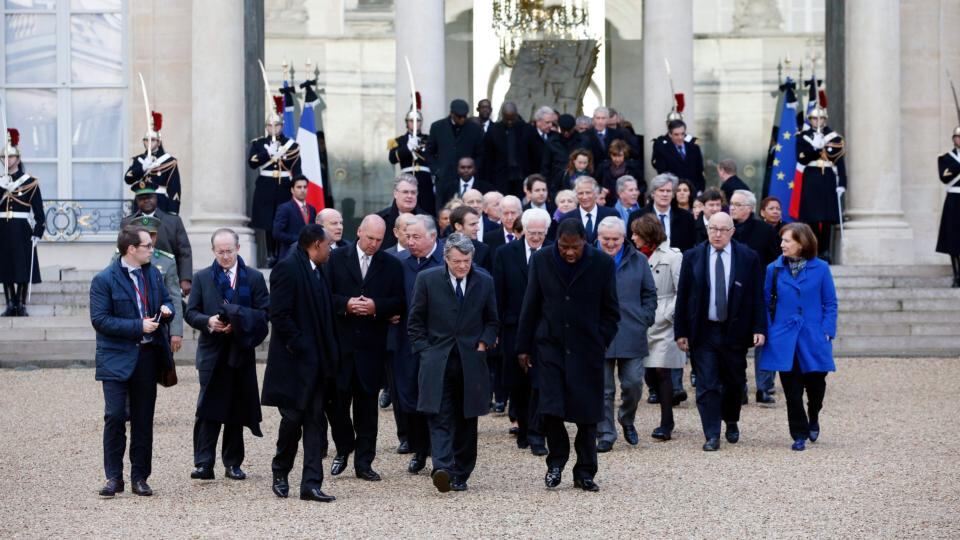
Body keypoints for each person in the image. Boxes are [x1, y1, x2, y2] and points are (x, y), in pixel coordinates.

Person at [516, 218, 619, 491]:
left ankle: (585, 471)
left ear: (585, 242)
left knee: (587, 416)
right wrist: (523, 347)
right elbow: (531, 305)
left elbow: (611, 311)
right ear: (556, 242)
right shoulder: (540, 261)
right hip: (550, 347)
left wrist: (601, 339)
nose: (570, 252)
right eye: (564, 247)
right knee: (550, 410)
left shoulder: (603, 264)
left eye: (575, 247)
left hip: (587, 351)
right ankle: (556, 462)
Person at [407, 233, 498, 492]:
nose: (462, 266)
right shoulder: (427, 279)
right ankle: (443, 467)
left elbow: (492, 320)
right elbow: (415, 321)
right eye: (457, 261)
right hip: (438, 359)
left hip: (471, 360)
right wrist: (424, 351)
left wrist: (484, 342)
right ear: (445, 259)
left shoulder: (484, 281)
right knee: (439, 415)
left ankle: (462, 471)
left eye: (466, 260)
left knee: (467, 418)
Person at [90, 226, 175, 498]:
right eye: (148, 246)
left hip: (147, 358)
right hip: (115, 357)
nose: (152, 250)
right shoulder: (104, 279)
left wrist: (167, 311)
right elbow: (100, 320)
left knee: (143, 419)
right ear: (131, 250)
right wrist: (138, 326)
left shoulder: (154, 274)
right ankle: (114, 477)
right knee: (115, 416)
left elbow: (167, 300)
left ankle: (140, 477)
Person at [674, 212, 766, 451]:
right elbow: (683, 296)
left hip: (735, 330)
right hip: (703, 330)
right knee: (707, 384)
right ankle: (711, 433)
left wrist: (759, 327)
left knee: (735, 383)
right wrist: (681, 331)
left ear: (732, 231)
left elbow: (757, 295)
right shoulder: (693, 256)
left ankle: (731, 419)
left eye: (722, 230)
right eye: (713, 228)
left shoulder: (748, 257)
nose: (717, 234)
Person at [262, 224, 340, 503]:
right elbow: (279, 315)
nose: (331, 250)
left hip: (318, 363)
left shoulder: (320, 269)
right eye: (328, 245)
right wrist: (302, 346)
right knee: (293, 420)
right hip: (295, 364)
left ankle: (311, 484)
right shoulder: (287, 268)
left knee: (315, 421)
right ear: (316, 244)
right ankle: (280, 469)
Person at [185, 228, 269, 481]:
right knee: (208, 407)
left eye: (229, 251)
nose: (224, 256)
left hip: (239, 350)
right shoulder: (202, 278)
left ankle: (232, 463)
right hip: (212, 352)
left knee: (236, 407)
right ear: (213, 251)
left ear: (238, 249)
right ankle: (203, 462)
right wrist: (209, 321)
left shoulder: (253, 278)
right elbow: (191, 313)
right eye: (220, 252)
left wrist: (241, 322)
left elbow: (264, 313)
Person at [326, 214, 405, 481]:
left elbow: (399, 301)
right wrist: (346, 304)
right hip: (341, 346)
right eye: (370, 238)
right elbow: (324, 295)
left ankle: (364, 462)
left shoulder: (391, 265)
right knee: (336, 406)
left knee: (367, 410)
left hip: (371, 347)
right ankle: (344, 447)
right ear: (358, 231)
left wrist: (376, 308)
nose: (373, 244)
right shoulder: (335, 259)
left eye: (379, 240)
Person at [760, 222, 837, 451]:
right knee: (792, 391)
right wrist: (770, 330)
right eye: (782, 240)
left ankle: (814, 415)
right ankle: (799, 433)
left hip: (813, 336)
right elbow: (765, 302)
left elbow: (830, 303)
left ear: (802, 243)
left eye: (787, 240)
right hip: (784, 338)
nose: (781, 244)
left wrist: (827, 330)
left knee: (816, 388)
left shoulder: (821, 268)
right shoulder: (773, 269)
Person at [596, 217, 657, 452]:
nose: (611, 244)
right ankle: (606, 433)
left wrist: (645, 318)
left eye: (615, 239)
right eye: (606, 239)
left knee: (632, 384)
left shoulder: (639, 260)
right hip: (599, 334)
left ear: (624, 238)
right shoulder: (589, 259)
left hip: (631, 330)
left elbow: (649, 293)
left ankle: (627, 419)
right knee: (604, 389)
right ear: (598, 238)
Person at [494, 208, 550, 456]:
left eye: (541, 233)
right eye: (532, 232)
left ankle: (538, 434)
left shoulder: (552, 253)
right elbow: (498, 294)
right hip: (513, 328)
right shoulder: (505, 254)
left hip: (544, 329)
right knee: (518, 383)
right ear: (522, 230)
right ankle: (524, 428)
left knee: (540, 382)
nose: (536, 237)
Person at [395, 215, 445, 474]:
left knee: (437, 397)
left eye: (416, 237)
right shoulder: (400, 263)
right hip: (406, 342)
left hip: (438, 341)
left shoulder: (448, 260)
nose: (410, 242)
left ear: (433, 237)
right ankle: (418, 449)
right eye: (407, 237)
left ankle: (439, 451)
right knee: (409, 398)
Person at [632, 214, 685, 440]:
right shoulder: (634, 257)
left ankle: (666, 422)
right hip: (641, 318)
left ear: (648, 235)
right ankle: (663, 401)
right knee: (649, 373)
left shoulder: (673, 257)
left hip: (664, 320)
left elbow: (680, 289)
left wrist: (668, 314)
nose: (633, 237)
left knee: (662, 370)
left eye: (637, 234)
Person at [729, 189, 780, 405]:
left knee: (764, 341)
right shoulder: (725, 229)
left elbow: (777, 262)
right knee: (736, 343)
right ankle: (738, 386)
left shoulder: (764, 231)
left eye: (737, 204)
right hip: (732, 296)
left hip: (760, 293)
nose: (732, 207)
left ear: (749, 208)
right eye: (731, 203)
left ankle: (763, 387)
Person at [248, 98, 302, 267]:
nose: (273, 129)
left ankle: (281, 254)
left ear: (282, 126)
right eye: (270, 126)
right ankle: (271, 254)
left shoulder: (291, 145)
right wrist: (268, 153)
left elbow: (297, 169)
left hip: (284, 186)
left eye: (276, 125)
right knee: (267, 222)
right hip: (265, 185)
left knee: (282, 220)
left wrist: (297, 187)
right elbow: (252, 163)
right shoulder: (259, 144)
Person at [121, 216, 184, 355]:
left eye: (152, 235)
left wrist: (176, 331)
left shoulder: (166, 260)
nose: (149, 238)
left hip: (157, 330)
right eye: (145, 234)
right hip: (128, 329)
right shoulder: (122, 257)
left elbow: (174, 297)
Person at [122, 180, 193, 296]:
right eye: (141, 198)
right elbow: (122, 252)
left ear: (156, 198)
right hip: (136, 279)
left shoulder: (173, 221)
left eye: (149, 197)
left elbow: (184, 251)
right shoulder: (127, 223)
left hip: (168, 278)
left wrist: (185, 279)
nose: (146, 200)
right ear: (137, 201)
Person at [0, 128, 44, 317]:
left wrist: (38, 232)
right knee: (5, 266)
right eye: (4, 156)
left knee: (22, 266)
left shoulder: (30, 182)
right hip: (2, 228)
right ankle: (10, 303)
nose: (7, 160)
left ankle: (20, 304)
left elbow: (39, 212)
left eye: (11, 157)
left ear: (18, 159)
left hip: (21, 229)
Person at [796, 106, 846, 262]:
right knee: (811, 218)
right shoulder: (803, 136)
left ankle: (825, 251)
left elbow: (839, 162)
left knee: (826, 219)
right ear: (810, 120)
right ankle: (813, 250)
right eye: (815, 119)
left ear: (825, 119)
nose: (818, 121)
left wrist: (842, 183)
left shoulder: (834, 137)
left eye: (821, 118)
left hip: (827, 178)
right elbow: (801, 158)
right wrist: (815, 149)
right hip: (811, 178)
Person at [426, 99, 485, 205]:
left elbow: (480, 153)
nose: (462, 119)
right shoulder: (437, 127)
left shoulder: (475, 129)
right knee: (443, 209)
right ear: (452, 114)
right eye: (459, 116)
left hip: (467, 178)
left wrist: (473, 169)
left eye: (464, 116)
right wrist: (436, 170)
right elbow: (429, 152)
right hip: (444, 177)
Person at [124, 112, 182, 215]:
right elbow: (128, 179)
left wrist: (173, 212)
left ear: (159, 142)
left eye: (153, 140)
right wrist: (142, 168)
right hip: (141, 202)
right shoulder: (140, 159)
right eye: (146, 140)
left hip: (160, 203)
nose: (149, 143)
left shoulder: (169, 161)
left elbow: (174, 189)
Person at [627, 173, 697, 253]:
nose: (665, 194)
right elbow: (631, 246)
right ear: (653, 193)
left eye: (668, 191)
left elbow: (690, 246)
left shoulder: (687, 218)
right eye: (661, 190)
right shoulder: (637, 216)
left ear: (673, 194)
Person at [388, 106, 435, 215]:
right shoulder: (399, 141)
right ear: (406, 122)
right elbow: (392, 158)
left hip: (425, 180)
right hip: (406, 178)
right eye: (411, 121)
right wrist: (408, 148)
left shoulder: (429, 139)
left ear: (421, 122)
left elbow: (434, 158)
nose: (414, 123)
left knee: (426, 210)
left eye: (417, 120)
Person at [482, 101, 534, 197]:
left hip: (522, 175)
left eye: (512, 119)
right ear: (502, 116)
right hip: (500, 177)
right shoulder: (493, 130)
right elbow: (487, 157)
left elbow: (533, 155)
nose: (510, 122)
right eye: (507, 119)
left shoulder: (527, 129)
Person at [554, 177, 618, 244]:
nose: (584, 197)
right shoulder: (566, 218)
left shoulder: (611, 214)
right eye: (580, 193)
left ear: (596, 194)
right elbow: (560, 244)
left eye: (588, 193)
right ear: (576, 195)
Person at [651, 119, 706, 194]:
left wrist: (700, 190)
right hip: (674, 192)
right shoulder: (662, 149)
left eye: (682, 134)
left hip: (693, 191)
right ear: (670, 134)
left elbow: (699, 171)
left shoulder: (694, 147)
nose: (680, 137)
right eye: (676, 134)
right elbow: (663, 173)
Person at [936, 128, 960, 287]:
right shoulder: (945, 158)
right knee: (952, 238)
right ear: (953, 139)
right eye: (957, 137)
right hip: (953, 199)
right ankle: (957, 275)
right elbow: (945, 177)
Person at [273, 176, 317, 261]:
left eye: (305, 187)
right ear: (292, 190)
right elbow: (277, 233)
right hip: (290, 256)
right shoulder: (284, 208)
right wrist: (300, 240)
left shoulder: (312, 209)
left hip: (310, 257)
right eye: (299, 187)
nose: (302, 190)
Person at [376, 174, 425, 251]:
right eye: (405, 192)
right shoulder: (379, 220)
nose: (410, 196)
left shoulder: (428, 220)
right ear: (395, 194)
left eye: (413, 192)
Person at [541, 114, 586, 195]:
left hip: (578, 182)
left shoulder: (583, 141)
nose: (566, 133)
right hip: (556, 184)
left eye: (569, 130)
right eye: (563, 130)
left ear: (574, 128)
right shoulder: (551, 142)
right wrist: (546, 188)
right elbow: (545, 167)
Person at [596, 139, 645, 207]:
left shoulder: (633, 167)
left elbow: (643, 185)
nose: (617, 159)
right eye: (614, 156)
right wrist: (602, 189)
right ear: (610, 155)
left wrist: (635, 193)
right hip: (608, 203)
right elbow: (596, 183)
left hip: (628, 204)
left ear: (624, 155)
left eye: (620, 156)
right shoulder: (603, 167)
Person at [448, 205, 492, 273]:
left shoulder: (483, 249)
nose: (478, 228)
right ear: (458, 226)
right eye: (472, 224)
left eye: (477, 224)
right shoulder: (442, 246)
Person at [527, 106, 556, 179]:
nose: (550, 125)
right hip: (532, 177)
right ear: (538, 121)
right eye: (547, 122)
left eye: (552, 122)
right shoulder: (528, 136)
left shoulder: (554, 136)